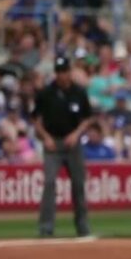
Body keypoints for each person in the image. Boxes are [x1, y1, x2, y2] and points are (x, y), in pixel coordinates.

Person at [31, 56, 96, 238]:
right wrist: (45, 137)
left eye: (64, 71)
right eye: (59, 72)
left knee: (78, 184)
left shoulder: (79, 92)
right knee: (50, 183)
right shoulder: (46, 93)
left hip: (73, 144)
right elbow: (35, 118)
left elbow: (88, 117)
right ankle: (46, 227)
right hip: (53, 144)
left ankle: (82, 225)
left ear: (69, 72)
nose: (62, 75)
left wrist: (76, 134)